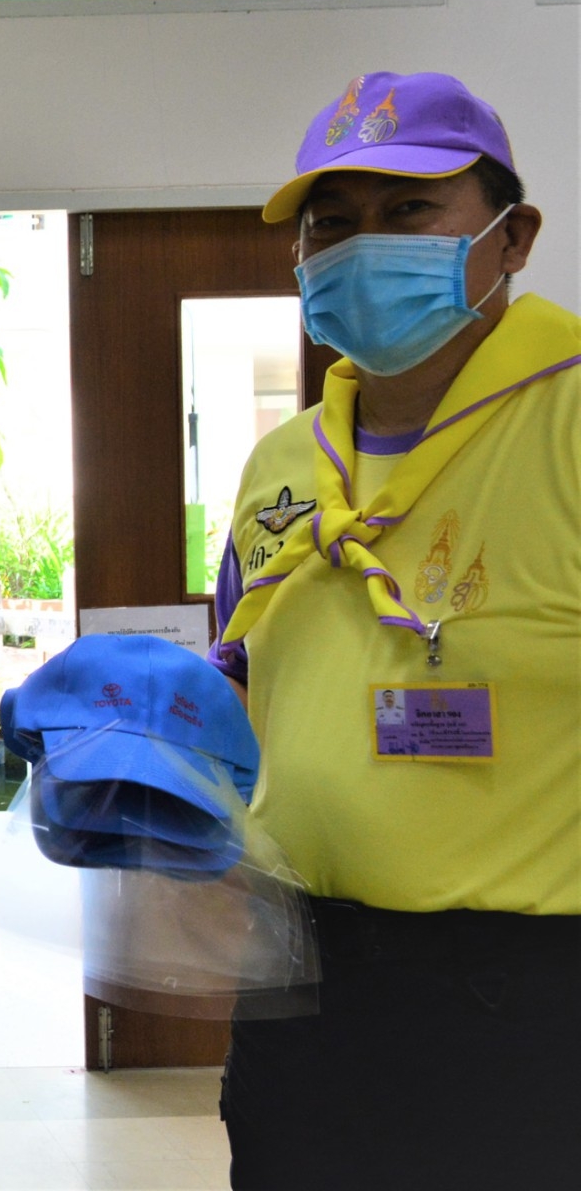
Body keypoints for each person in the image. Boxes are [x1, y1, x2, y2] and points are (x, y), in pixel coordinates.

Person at [210, 72, 579, 1187]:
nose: (362, 247)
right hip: (298, 981)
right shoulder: (284, 462)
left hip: (523, 994)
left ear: (513, 237)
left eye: (408, 211)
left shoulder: (567, 421)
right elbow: (243, 678)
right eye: (330, 224)